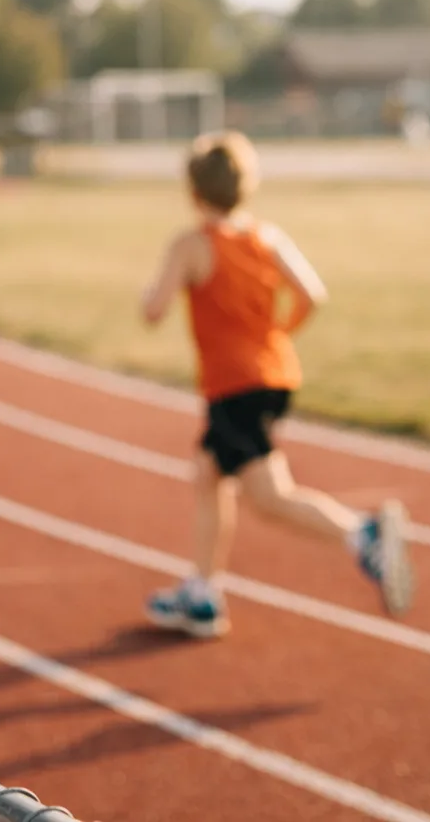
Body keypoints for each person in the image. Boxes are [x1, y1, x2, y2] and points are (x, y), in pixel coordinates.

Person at [139, 130, 414, 639]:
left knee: (269, 498)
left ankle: (363, 535)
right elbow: (312, 294)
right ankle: (202, 591)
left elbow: (154, 310)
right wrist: (278, 333)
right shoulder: (267, 237)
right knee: (207, 473)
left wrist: (147, 295)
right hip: (274, 373)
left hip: (236, 385)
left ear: (194, 191)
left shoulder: (192, 243)